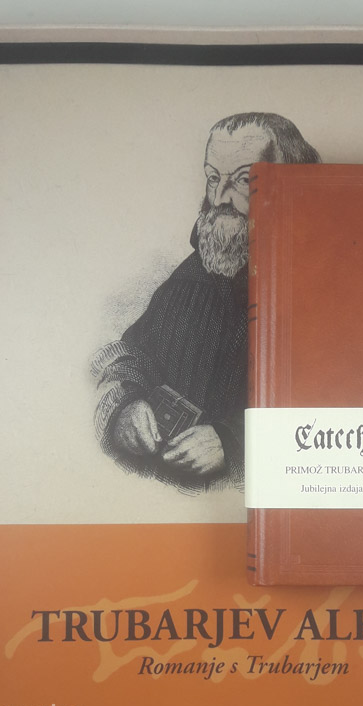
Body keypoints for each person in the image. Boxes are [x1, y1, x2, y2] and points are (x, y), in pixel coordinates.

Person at [92, 112, 320, 492]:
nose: (220, 198)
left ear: (291, 189)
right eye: (214, 178)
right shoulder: (197, 271)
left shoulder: (321, 287)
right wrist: (126, 407)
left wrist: (233, 444)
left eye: (244, 180)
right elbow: (132, 355)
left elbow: (336, 417)